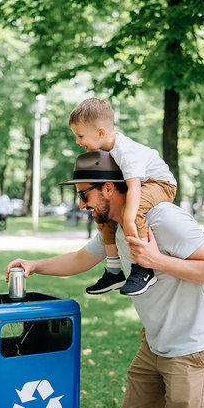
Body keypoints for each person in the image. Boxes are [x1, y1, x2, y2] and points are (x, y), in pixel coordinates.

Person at [6, 150, 204, 408]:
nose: (81, 204)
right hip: (155, 341)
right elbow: (79, 259)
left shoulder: (163, 218)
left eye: (85, 195)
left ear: (108, 187)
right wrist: (35, 265)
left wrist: (156, 260)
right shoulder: (115, 227)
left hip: (193, 345)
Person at [69, 98, 177, 296]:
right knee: (111, 220)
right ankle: (114, 272)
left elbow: (134, 187)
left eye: (80, 136)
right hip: (142, 184)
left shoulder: (126, 152)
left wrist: (128, 219)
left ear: (100, 132)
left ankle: (143, 268)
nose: (78, 141)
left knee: (131, 212)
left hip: (160, 183)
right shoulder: (106, 151)